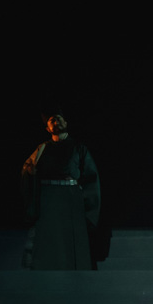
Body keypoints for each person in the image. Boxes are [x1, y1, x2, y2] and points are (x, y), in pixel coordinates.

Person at [20, 111, 101, 270]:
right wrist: (30, 172)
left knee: (71, 243)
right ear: (47, 128)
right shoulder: (42, 148)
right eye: (52, 120)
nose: (56, 121)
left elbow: (91, 178)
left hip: (70, 198)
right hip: (48, 199)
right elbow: (27, 169)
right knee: (50, 241)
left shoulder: (78, 148)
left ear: (66, 123)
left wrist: (89, 208)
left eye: (59, 118)